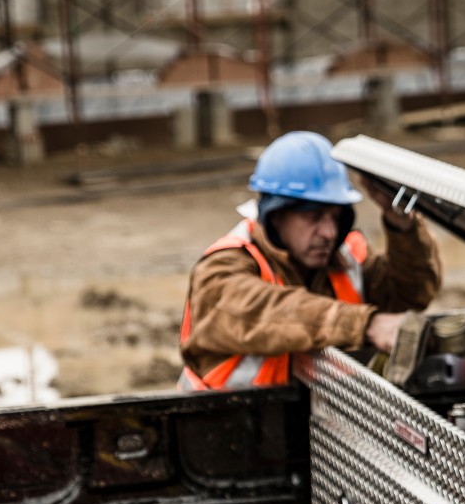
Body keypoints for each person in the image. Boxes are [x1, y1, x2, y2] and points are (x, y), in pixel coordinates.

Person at [179, 131, 442, 390]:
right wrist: (366, 324)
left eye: (335, 216)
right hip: (224, 425)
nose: (328, 232)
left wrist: (401, 223)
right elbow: (269, 311)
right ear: (276, 215)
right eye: (313, 216)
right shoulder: (223, 268)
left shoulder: (346, 257)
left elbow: (411, 294)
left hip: (315, 425)